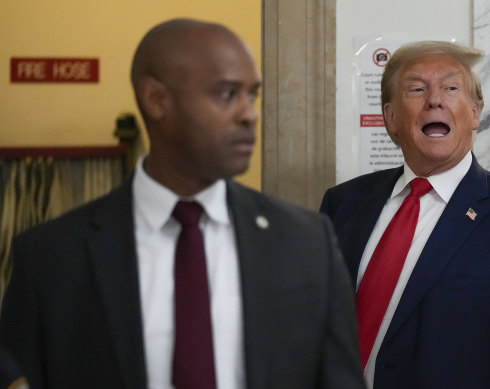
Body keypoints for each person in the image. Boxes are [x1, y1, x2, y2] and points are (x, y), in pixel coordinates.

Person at [0, 18, 365, 389]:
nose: (249, 114)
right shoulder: (52, 256)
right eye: (226, 94)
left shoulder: (306, 243)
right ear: (156, 99)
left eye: (252, 95)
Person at [320, 41, 490, 388]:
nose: (434, 100)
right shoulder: (343, 203)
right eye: (416, 89)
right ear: (390, 117)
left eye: (451, 88)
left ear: (474, 113)